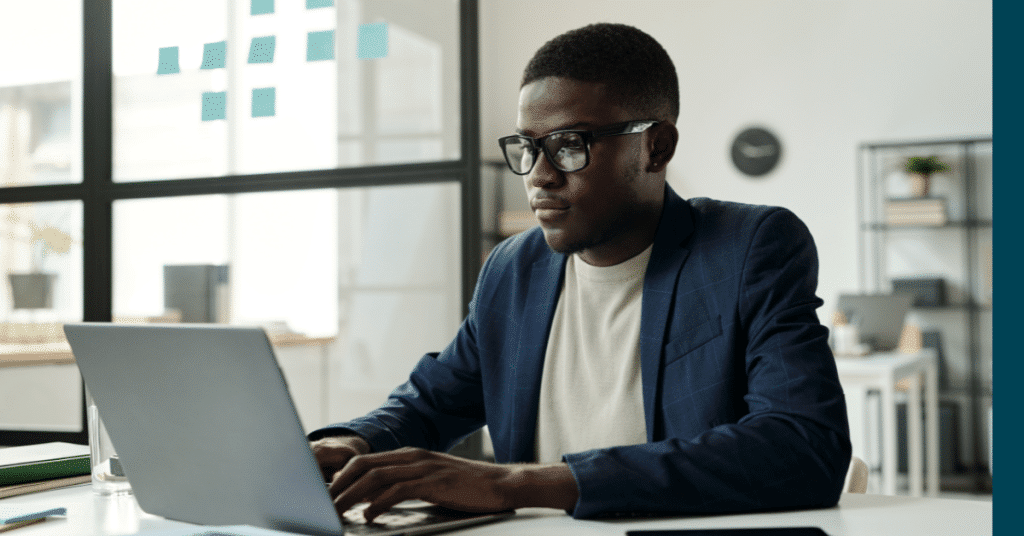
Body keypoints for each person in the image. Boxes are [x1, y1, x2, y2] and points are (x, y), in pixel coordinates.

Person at [309, 22, 851, 522]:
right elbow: (431, 402)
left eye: (570, 145)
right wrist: (355, 442)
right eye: (528, 146)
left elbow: (804, 445)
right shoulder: (511, 270)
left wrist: (516, 484)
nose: (539, 176)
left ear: (655, 147)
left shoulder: (746, 249)